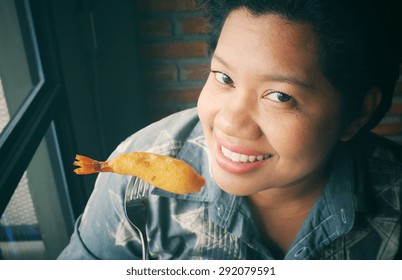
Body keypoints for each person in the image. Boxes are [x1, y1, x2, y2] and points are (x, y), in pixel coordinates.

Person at [58, 0, 402, 260]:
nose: (228, 122)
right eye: (224, 78)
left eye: (280, 96)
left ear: (358, 113)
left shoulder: (393, 198)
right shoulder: (134, 179)